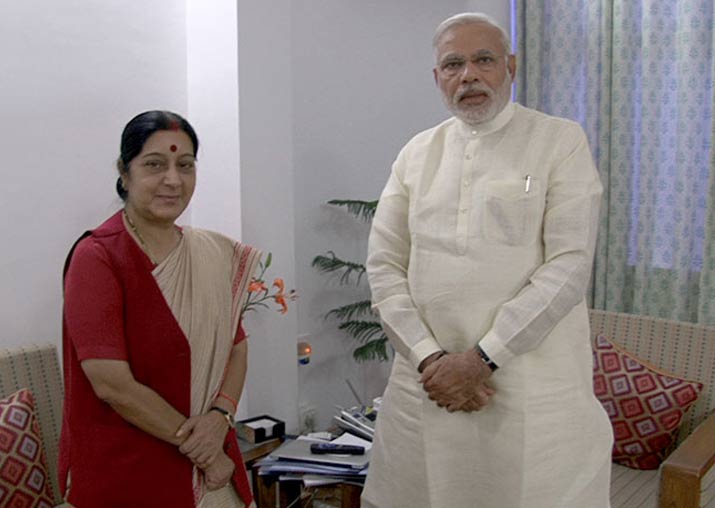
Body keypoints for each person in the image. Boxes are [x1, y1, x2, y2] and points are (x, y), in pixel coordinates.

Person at [362, 13, 612, 508]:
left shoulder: (558, 141)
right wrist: (431, 358)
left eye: (483, 60)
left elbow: (568, 266)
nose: (468, 75)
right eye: (453, 64)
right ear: (437, 78)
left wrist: (482, 359)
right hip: (427, 386)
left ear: (510, 67)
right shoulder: (416, 154)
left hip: (526, 390)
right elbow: (384, 267)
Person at [59, 110, 261, 507]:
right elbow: (112, 383)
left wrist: (221, 415)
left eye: (185, 165)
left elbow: (236, 346)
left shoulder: (209, 252)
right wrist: (203, 448)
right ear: (124, 171)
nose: (173, 179)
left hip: (212, 465)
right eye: (155, 165)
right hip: (128, 472)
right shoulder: (97, 257)